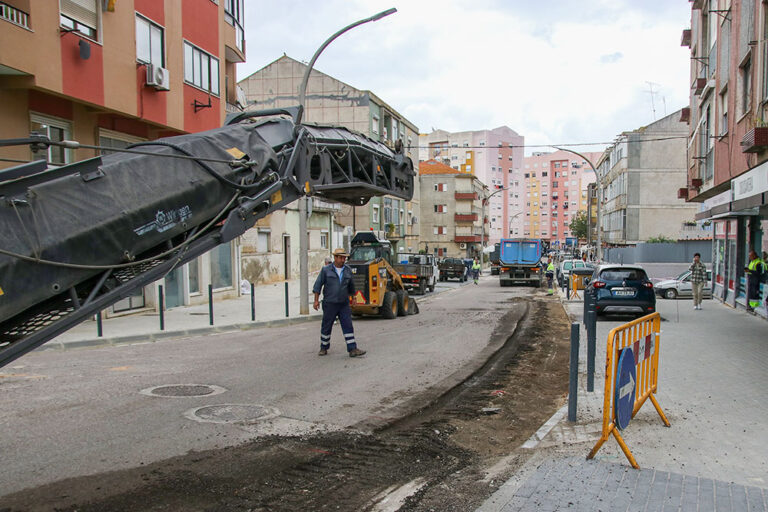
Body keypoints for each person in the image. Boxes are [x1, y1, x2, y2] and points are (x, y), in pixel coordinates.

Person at [312, 248, 365, 357]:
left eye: (344, 258)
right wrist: (316, 301)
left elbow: (351, 286)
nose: (343, 260)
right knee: (326, 325)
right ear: (335, 258)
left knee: (348, 325)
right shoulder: (326, 270)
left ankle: (352, 349)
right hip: (329, 303)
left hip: (343, 304)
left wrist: (354, 298)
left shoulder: (348, 270)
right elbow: (318, 285)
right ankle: (323, 347)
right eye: (341, 258)